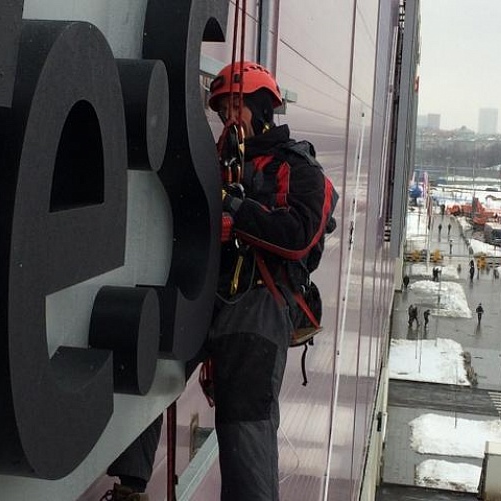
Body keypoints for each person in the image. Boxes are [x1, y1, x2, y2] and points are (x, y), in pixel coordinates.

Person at [102, 61, 338, 501]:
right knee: (149, 364)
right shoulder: (214, 164)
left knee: (245, 425)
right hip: (206, 291)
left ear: (263, 108)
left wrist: (237, 214)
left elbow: (299, 234)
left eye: (237, 106)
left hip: (259, 303)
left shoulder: (299, 168)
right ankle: (130, 487)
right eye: (223, 109)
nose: (230, 117)